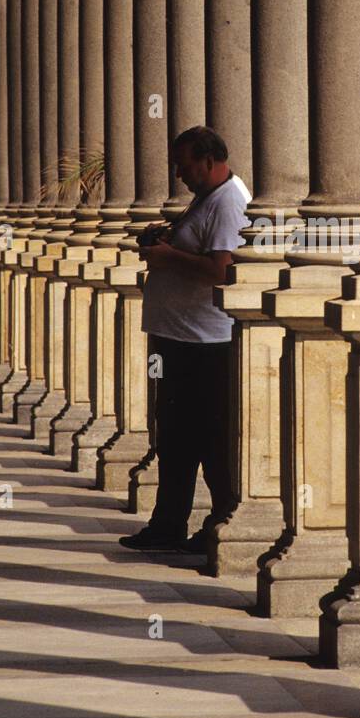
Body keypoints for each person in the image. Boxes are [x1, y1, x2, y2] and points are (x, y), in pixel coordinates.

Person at [119, 126, 250, 555]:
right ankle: (170, 524)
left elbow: (222, 269)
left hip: (202, 344)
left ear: (209, 160)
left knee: (206, 438)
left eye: (185, 164)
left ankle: (216, 524)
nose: (180, 173)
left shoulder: (230, 201)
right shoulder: (208, 197)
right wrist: (167, 236)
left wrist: (167, 257)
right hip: (179, 338)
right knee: (175, 435)